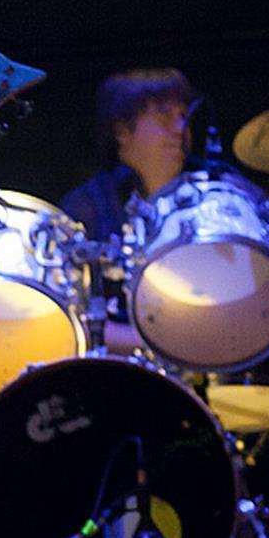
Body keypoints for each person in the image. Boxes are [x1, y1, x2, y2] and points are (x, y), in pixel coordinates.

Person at [58, 67, 196, 353]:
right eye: (164, 117)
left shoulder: (203, 201)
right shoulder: (86, 209)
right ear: (122, 130)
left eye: (183, 116)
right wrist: (166, 345)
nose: (180, 128)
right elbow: (66, 319)